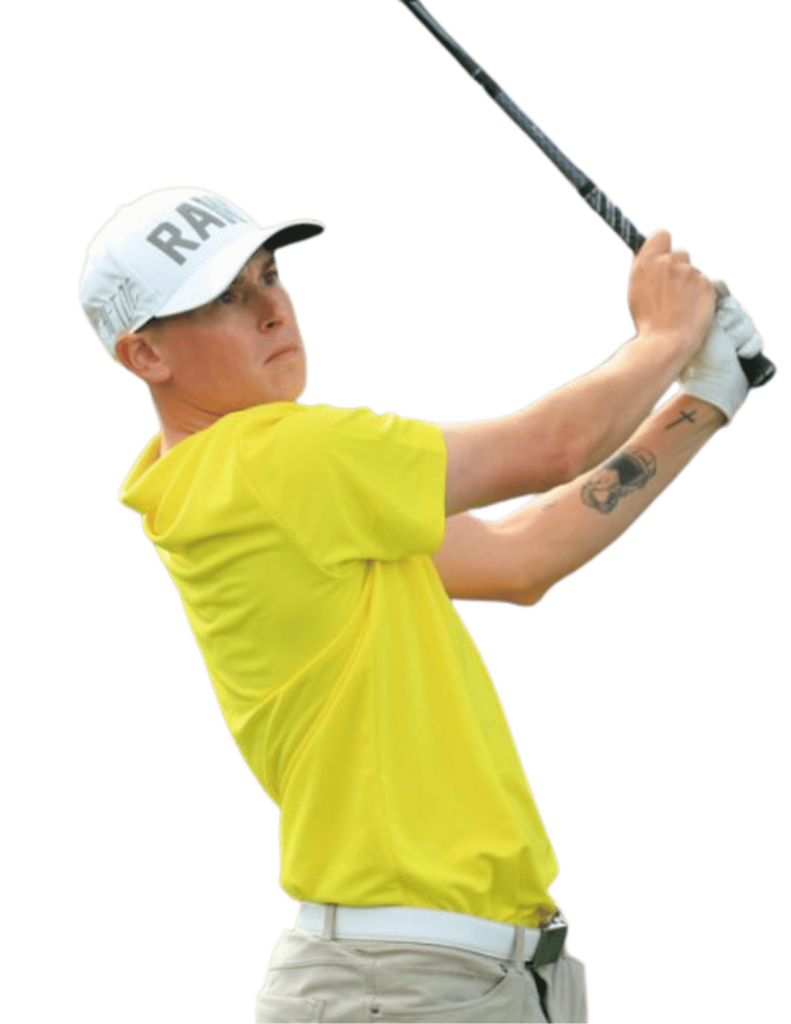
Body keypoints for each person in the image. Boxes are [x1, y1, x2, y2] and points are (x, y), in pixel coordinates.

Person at [78, 185, 765, 1023]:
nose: (272, 311)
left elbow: (519, 560)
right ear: (146, 354)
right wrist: (663, 337)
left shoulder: (260, 493)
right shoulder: (272, 458)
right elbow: (549, 446)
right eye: (224, 298)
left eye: (268, 276)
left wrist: (704, 397)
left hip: (455, 976)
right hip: (405, 983)